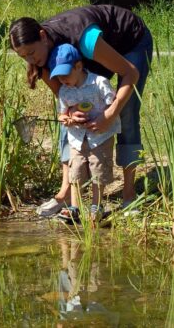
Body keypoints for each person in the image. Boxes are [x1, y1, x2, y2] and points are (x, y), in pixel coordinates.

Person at [9, 4, 153, 216]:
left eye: (31, 53)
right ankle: (65, 193)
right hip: (84, 60)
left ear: (42, 36)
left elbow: (130, 73)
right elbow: (65, 100)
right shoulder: (44, 58)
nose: (31, 61)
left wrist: (109, 113)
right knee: (68, 123)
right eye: (24, 57)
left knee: (126, 111)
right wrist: (70, 114)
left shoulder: (86, 39)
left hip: (130, 41)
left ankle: (129, 195)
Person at [49, 43, 120, 223]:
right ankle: (75, 207)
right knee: (76, 170)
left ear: (79, 66)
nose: (62, 79)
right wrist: (66, 118)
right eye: (58, 75)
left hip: (100, 136)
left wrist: (102, 117)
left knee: (98, 168)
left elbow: (113, 104)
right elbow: (61, 114)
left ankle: (96, 205)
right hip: (76, 138)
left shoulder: (98, 82)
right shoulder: (64, 90)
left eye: (66, 74)